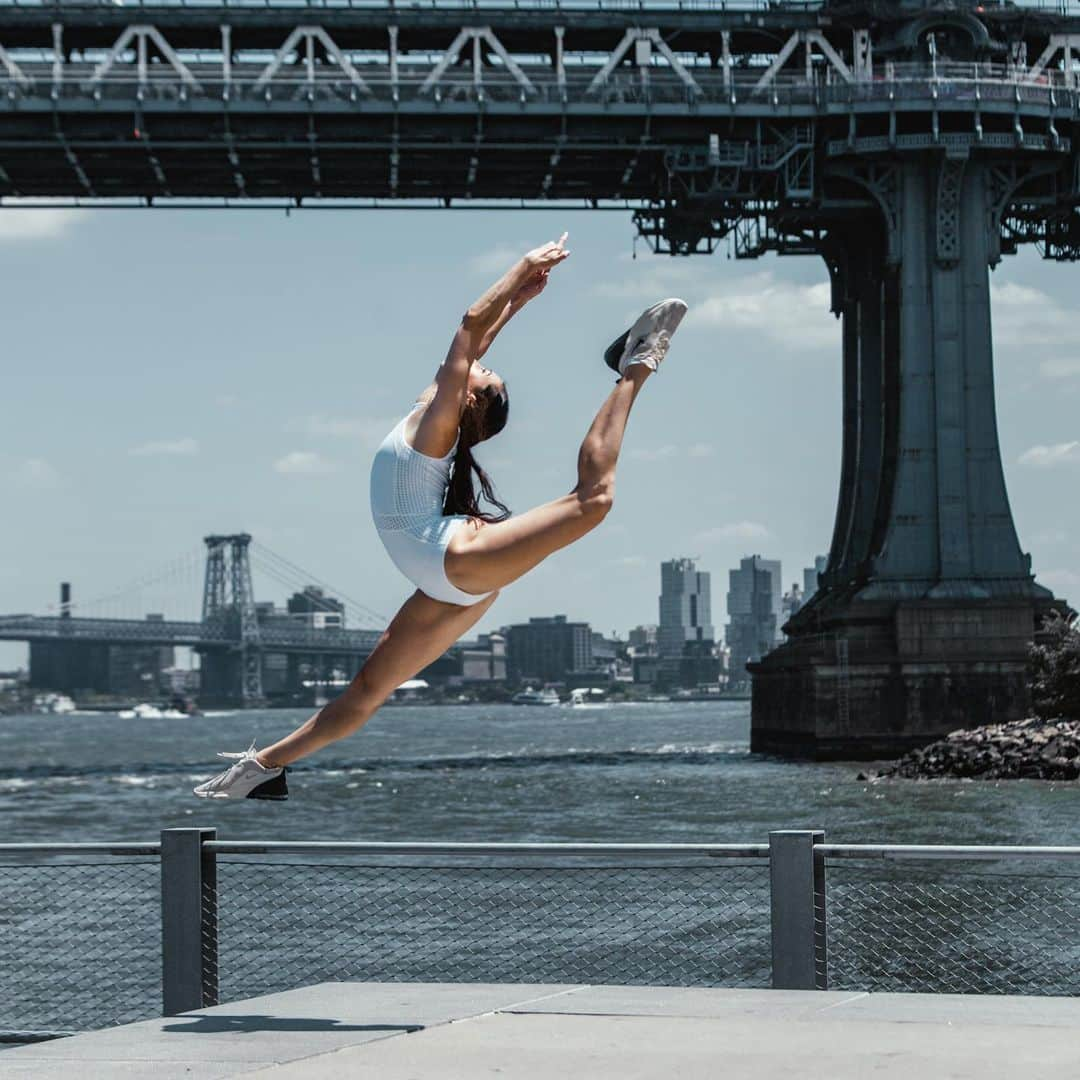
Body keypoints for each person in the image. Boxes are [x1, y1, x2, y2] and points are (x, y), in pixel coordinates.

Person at [194, 233, 687, 800]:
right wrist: (521, 301)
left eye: (484, 377)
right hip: (445, 572)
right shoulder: (429, 413)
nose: (480, 368)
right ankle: (262, 768)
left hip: (449, 562)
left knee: (593, 500)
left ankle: (634, 366)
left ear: (470, 401)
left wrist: (523, 266)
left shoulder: (438, 428)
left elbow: (469, 327)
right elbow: (476, 345)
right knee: (365, 693)